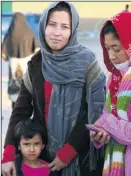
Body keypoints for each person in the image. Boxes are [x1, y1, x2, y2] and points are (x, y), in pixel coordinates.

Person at [2, 2, 106, 176]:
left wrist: (67, 152)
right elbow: (21, 111)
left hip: (82, 158)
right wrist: (8, 154)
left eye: (65, 27)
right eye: (52, 24)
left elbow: (94, 112)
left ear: (73, 31)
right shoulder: (37, 64)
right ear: (43, 25)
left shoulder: (88, 63)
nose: (57, 32)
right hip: (45, 159)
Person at [90, 12, 131, 176]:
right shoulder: (114, 79)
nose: (111, 56)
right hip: (117, 162)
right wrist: (100, 131)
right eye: (107, 49)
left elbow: (111, 119)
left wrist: (108, 123)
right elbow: (108, 113)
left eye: (117, 48)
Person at [2, 12, 40, 109]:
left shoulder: (10, 33)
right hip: (26, 63)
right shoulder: (28, 32)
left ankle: (14, 106)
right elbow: (37, 48)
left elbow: (3, 52)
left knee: (14, 83)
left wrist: (7, 57)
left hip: (13, 64)